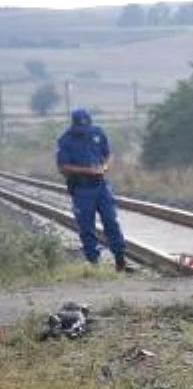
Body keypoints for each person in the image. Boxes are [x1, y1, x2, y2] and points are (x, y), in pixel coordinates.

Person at [56, 107, 135, 272]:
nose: (84, 131)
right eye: (80, 128)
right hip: (81, 188)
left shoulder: (98, 133)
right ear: (74, 125)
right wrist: (87, 170)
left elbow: (108, 154)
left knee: (111, 221)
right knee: (86, 226)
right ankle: (94, 264)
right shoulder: (66, 140)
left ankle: (120, 261)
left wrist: (105, 166)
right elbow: (63, 167)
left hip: (101, 186)